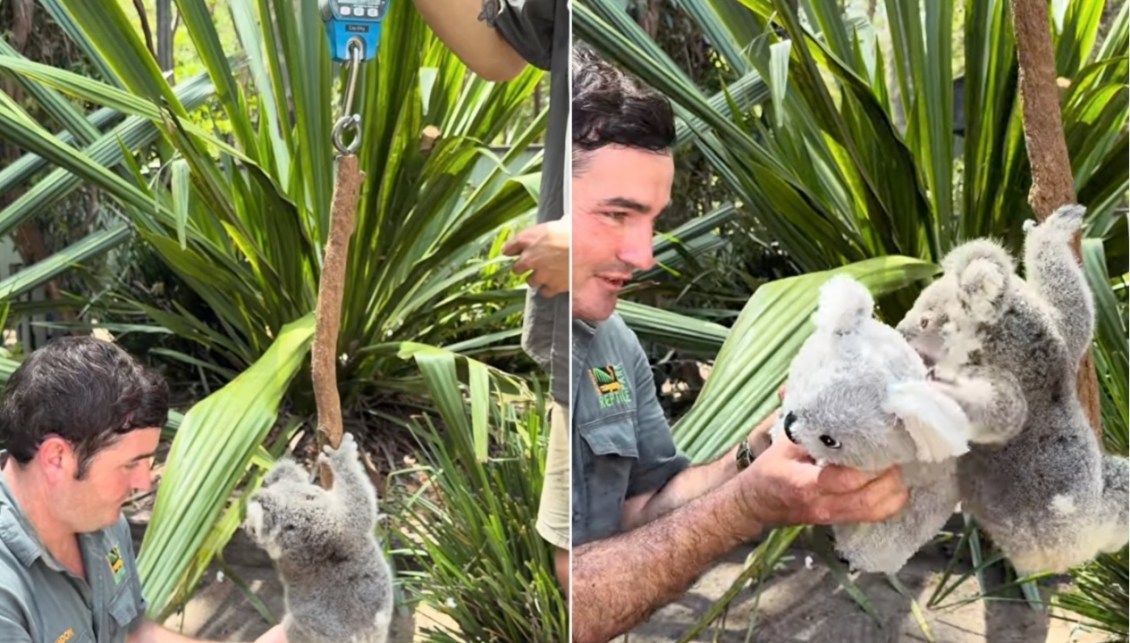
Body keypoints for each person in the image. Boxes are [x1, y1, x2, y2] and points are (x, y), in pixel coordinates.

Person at [569, 48, 911, 643]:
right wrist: (745, 505)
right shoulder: (482, 366)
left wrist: (760, 449)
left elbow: (641, 512)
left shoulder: (613, 344)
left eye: (651, 221)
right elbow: (552, 607)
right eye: (617, 214)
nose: (644, 257)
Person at [411, 0, 571, 587]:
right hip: (580, 318)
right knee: (578, 556)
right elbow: (503, 52)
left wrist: (592, 231)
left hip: (617, 291)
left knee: (597, 554)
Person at [0, 337, 286, 643]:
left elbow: (132, 634)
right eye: (130, 465)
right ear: (57, 458)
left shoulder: (100, 521)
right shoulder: (7, 595)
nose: (143, 483)